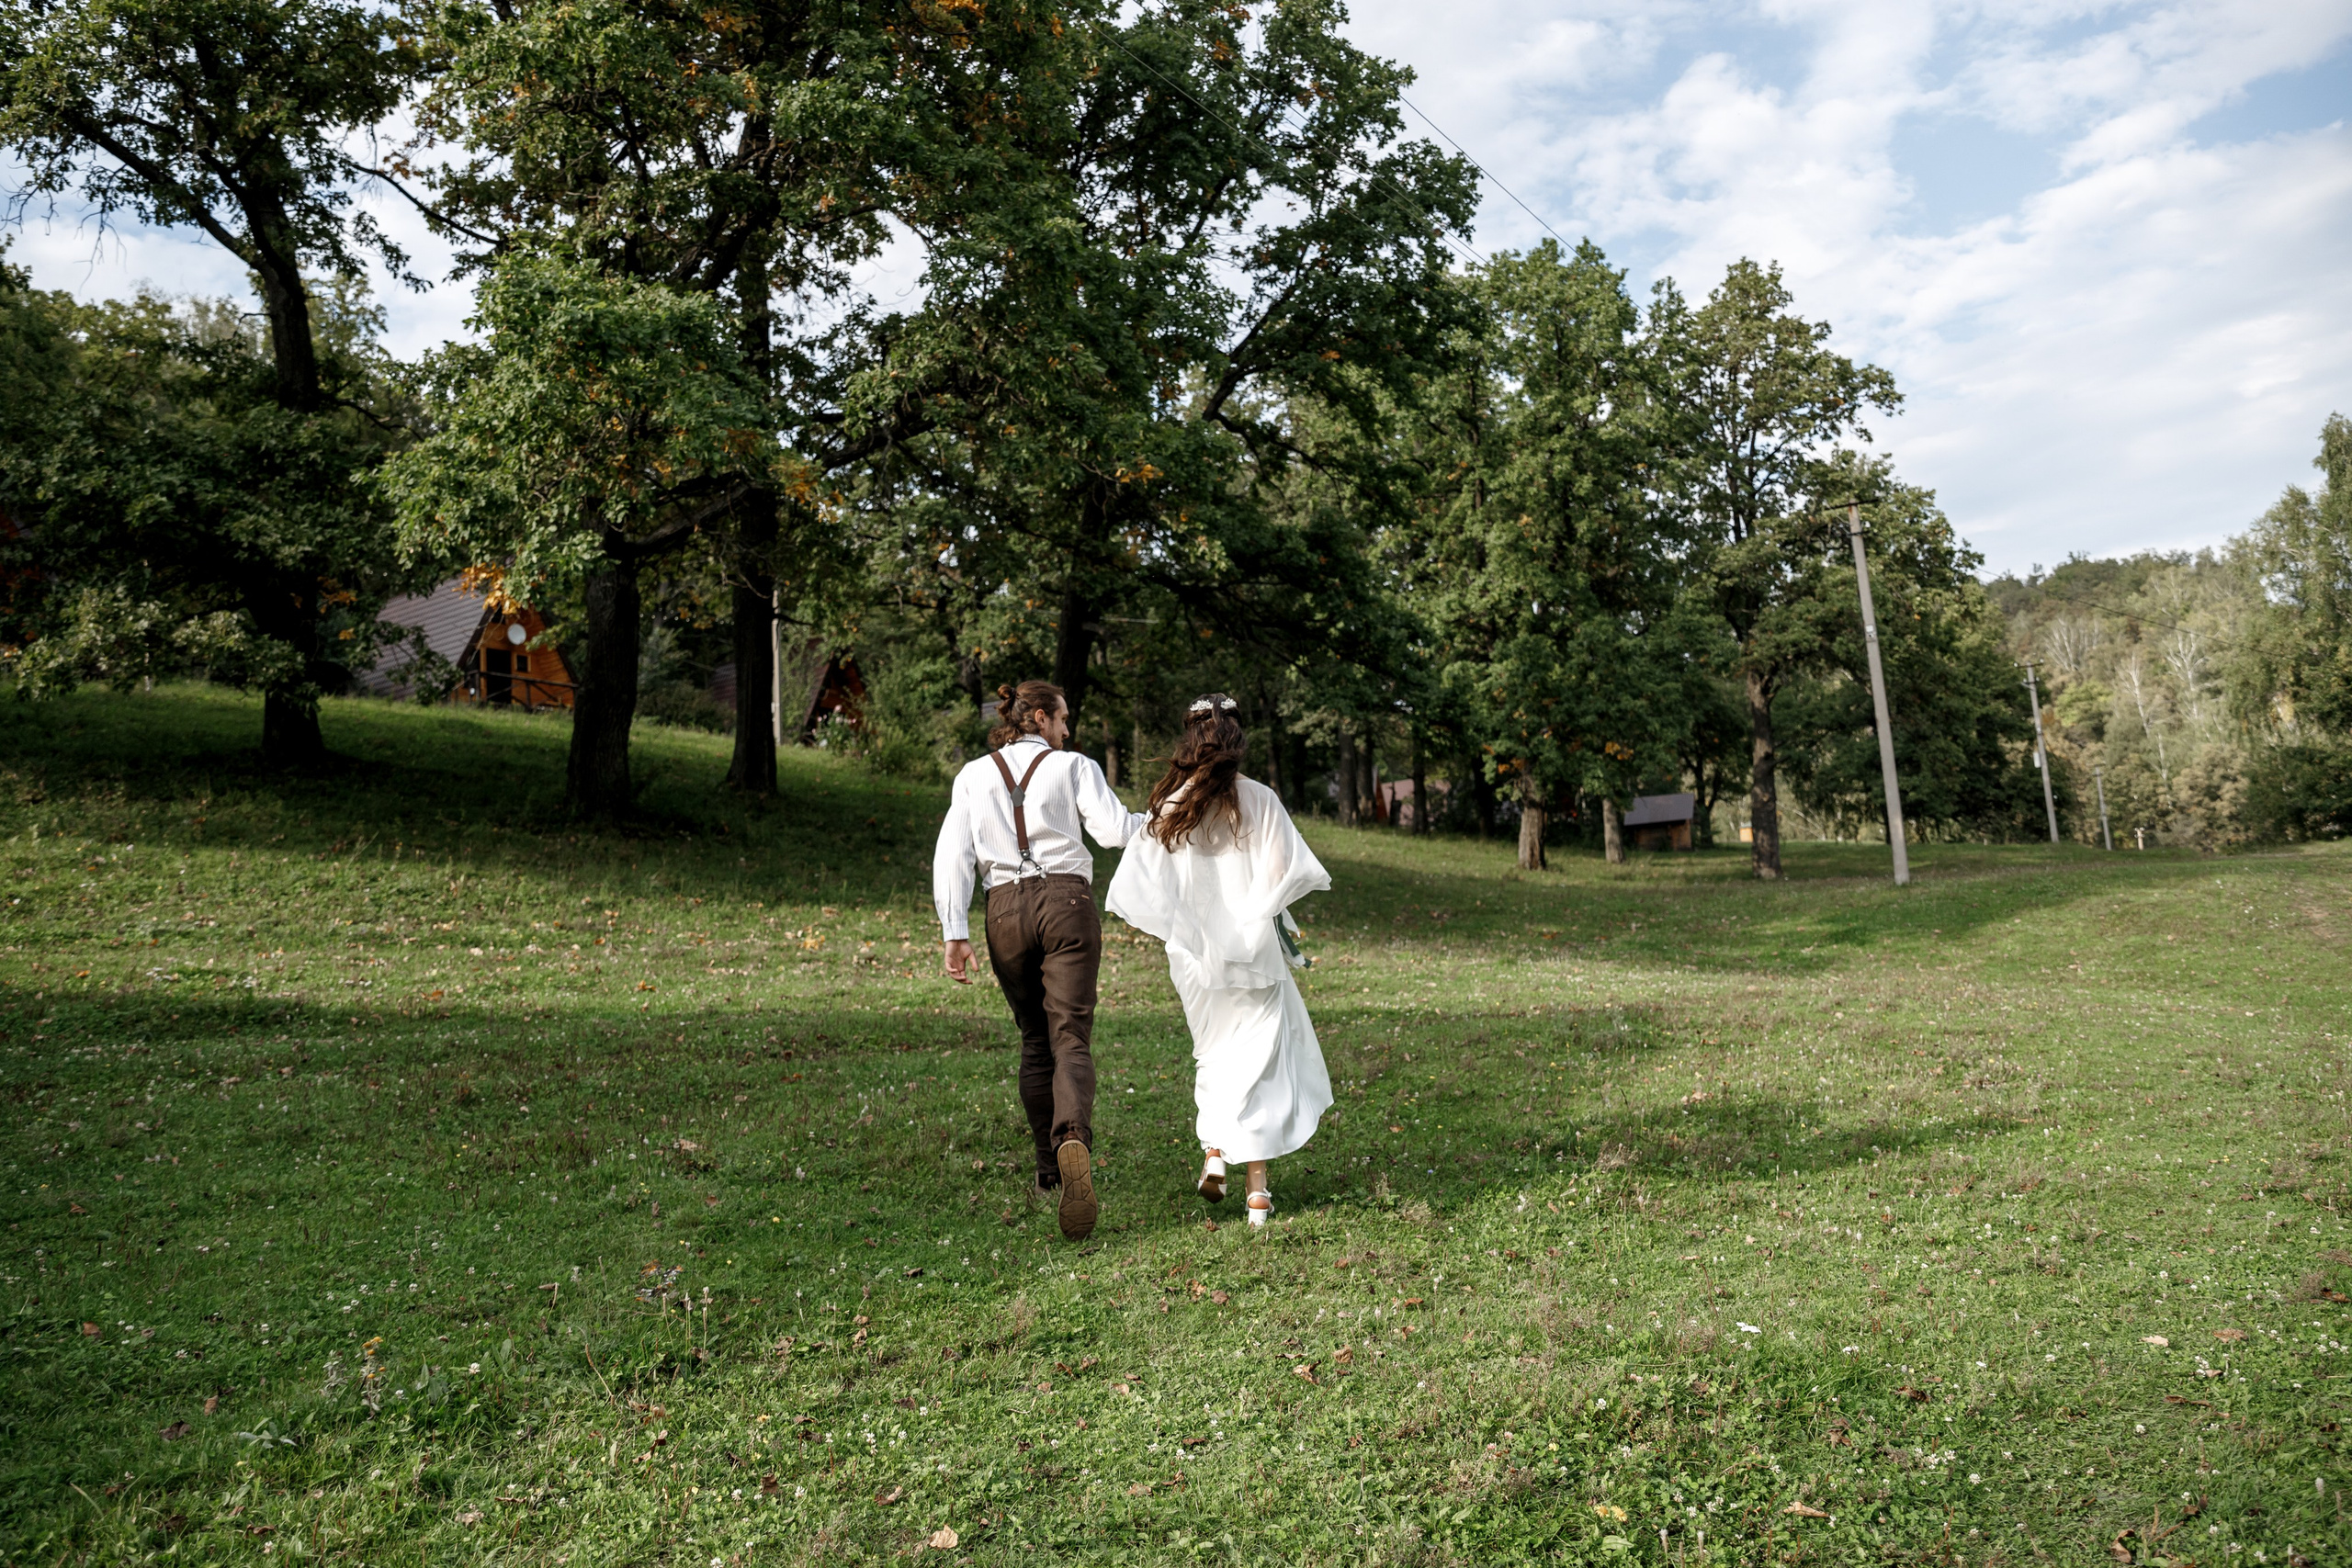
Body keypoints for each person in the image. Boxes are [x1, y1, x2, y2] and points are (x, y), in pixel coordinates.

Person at [1106, 693, 1331, 1226]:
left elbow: (1140, 880)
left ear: (1190, 739)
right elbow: (1286, 873)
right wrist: (1259, 912)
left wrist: (1183, 925)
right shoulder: (1262, 800)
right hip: (1253, 950)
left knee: (1213, 1055)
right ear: (1237, 737)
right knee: (1260, 1067)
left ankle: (1214, 1152)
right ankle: (1257, 1195)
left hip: (1194, 956)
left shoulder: (1172, 805)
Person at [933, 680, 1144, 1242]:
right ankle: (1072, 1137)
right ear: (1042, 717)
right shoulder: (1074, 767)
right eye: (1064, 718)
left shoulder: (972, 775)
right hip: (1066, 902)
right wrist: (1164, 818)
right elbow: (1114, 831)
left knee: (1034, 1039)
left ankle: (1049, 1171)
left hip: (1003, 909)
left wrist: (954, 931)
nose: (1068, 730)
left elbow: (953, 853)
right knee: (1068, 1035)